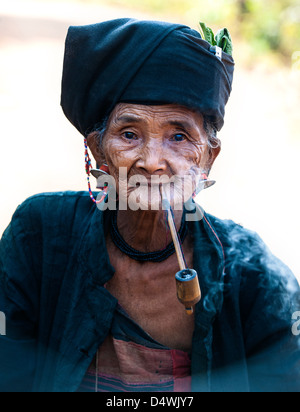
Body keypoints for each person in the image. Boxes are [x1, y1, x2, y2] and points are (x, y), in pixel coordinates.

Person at [0, 18, 299, 393]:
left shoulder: (254, 278)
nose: (153, 161)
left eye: (178, 135)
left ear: (208, 158)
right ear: (97, 150)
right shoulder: (39, 236)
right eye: (129, 134)